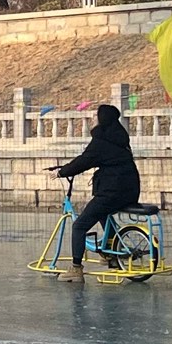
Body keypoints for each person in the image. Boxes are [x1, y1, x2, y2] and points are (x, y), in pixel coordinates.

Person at [48, 104, 140, 274]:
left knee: (79, 226)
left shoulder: (101, 141)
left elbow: (85, 160)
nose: (92, 119)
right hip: (129, 191)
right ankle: (110, 255)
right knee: (103, 214)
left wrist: (62, 172)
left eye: (94, 116)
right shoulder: (119, 138)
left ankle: (76, 269)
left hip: (111, 193)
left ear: (102, 119)